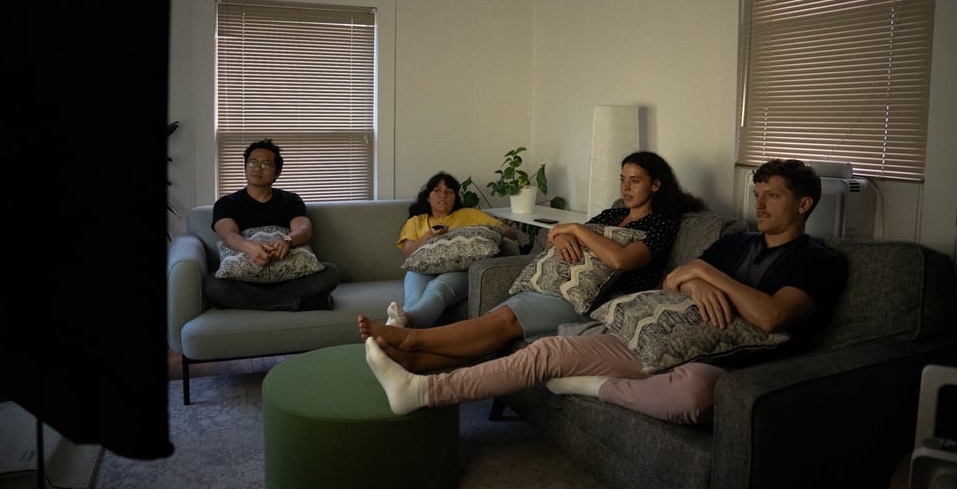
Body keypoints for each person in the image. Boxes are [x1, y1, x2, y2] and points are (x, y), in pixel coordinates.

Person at [363, 158, 848, 425]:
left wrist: (708, 276)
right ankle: (420, 384)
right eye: (757, 194)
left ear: (804, 204)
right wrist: (695, 278)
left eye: (773, 196)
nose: (759, 205)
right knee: (546, 351)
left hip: (712, 354)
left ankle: (591, 386)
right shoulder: (738, 241)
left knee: (695, 394)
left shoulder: (817, 260)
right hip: (656, 328)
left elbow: (770, 317)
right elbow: (673, 281)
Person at [359, 151, 706, 373]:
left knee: (504, 321)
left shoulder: (661, 223)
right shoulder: (615, 212)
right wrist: (566, 234)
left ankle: (410, 340)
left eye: (635, 181)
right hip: (558, 286)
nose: (626, 187)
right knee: (498, 326)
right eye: (622, 179)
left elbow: (621, 259)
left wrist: (574, 229)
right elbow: (557, 235)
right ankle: (414, 363)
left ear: (656, 185)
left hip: (596, 300)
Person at [206, 139, 339, 311]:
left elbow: (304, 230)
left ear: (277, 173)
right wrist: (250, 248)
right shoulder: (226, 203)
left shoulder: (290, 200)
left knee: (331, 273)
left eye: (265, 164)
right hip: (242, 279)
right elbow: (228, 234)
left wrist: (286, 240)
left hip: (288, 279)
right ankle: (296, 304)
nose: (256, 168)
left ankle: (252, 300)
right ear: (245, 167)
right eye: (252, 162)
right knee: (212, 284)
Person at [385, 171, 518, 329]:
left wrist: (483, 234)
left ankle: (397, 328)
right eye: (437, 190)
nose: (443, 195)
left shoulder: (470, 215)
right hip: (421, 270)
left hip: (458, 270)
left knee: (438, 287)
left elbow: (511, 233)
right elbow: (408, 253)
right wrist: (429, 235)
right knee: (414, 299)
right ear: (428, 197)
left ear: (455, 198)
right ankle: (402, 327)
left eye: (449, 192)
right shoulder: (416, 221)